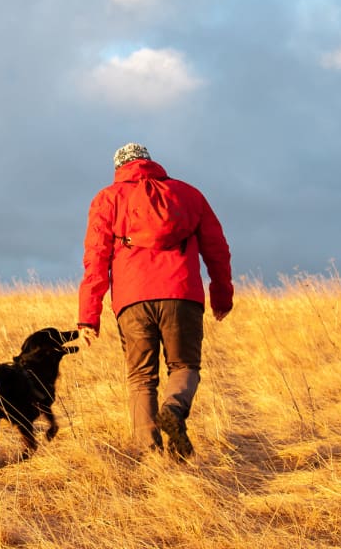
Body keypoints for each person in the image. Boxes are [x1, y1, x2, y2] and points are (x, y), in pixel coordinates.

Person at [77, 142, 233, 460]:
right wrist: (221, 295)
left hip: (132, 300)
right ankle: (173, 410)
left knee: (141, 378)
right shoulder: (188, 194)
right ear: (151, 162)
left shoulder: (107, 199)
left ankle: (151, 457)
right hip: (183, 294)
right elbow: (217, 249)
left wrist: (88, 317)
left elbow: (95, 259)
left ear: (119, 167)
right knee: (185, 367)